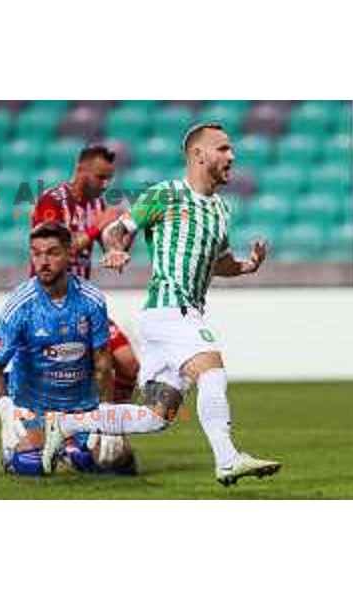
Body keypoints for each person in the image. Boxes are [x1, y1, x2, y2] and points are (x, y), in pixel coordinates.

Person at [100, 123, 281, 486]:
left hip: (178, 316)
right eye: (224, 149)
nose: (232, 156)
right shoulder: (165, 195)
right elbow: (115, 230)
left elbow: (219, 262)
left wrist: (247, 266)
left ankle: (64, 423)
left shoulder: (219, 209)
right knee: (212, 371)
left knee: (156, 416)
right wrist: (117, 250)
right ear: (199, 155)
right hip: (170, 310)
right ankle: (227, 458)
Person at [0, 222, 166, 477]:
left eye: (52, 253)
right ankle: (17, 453)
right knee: (32, 465)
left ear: (69, 254)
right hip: (33, 405)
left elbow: (103, 363)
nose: (43, 261)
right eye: (37, 253)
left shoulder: (91, 300)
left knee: (115, 459)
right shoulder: (20, 304)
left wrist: (106, 413)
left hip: (81, 404)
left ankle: (71, 448)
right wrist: (6, 411)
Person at [32, 144, 138, 404]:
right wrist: (95, 229)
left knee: (128, 364)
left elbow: (110, 247)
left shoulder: (98, 205)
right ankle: (70, 439)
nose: (105, 184)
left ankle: (113, 431)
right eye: (100, 177)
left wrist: (126, 236)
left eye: (109, 178)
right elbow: (50, 254)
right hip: (51, 303)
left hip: (83, 302)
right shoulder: (52, 201)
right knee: (73, 379)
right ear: (81, 170)